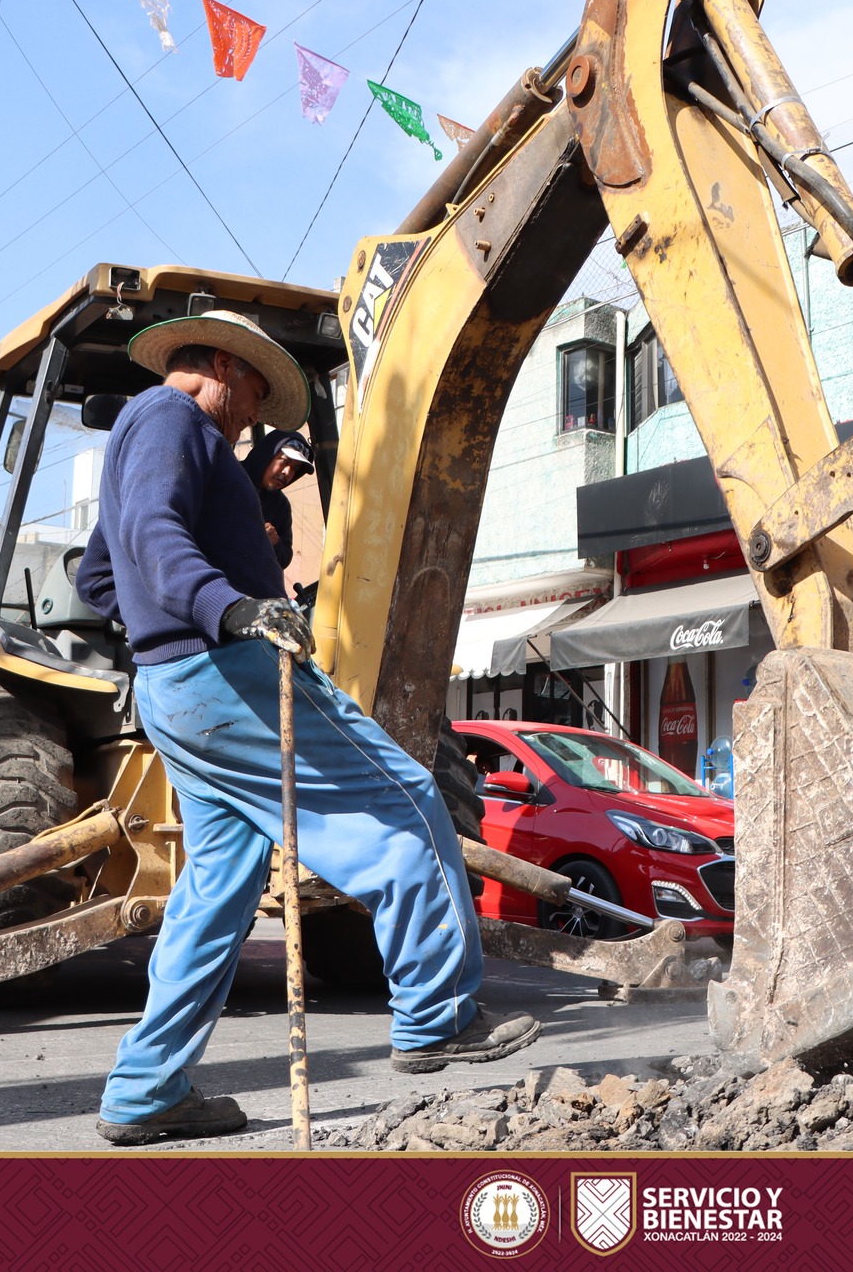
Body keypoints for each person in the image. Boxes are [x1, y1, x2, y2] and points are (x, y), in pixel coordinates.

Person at [76, 308, 540, 1146]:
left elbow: (99, 575)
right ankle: (436, 1017)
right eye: (253, 391)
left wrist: (161, 633)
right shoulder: (171, 418)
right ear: (220, 363)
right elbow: (150, 536)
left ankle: (146, 1093)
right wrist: (230, 610)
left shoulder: (158, 439)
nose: (254, 415)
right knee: (407, 798)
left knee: (218, 887)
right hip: (228, 678)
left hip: (176, 686)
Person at [241, 427, 316, 578]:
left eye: (295, 468)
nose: (287, 473)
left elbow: (284, 558)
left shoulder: (281, 506)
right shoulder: (229, 477)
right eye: (285, 461)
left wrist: (274, 542)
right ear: (267, 455)